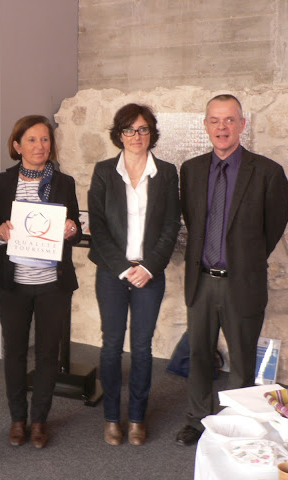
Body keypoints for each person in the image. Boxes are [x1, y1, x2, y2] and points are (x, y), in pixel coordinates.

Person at [175, 94, 288, 446]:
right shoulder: (191, 170)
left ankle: (238, 422)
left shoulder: (268, 171)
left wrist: (243, 258)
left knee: (241, 359)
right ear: (206, 125)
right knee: (198, 355)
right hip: (201, 281)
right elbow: (193, 223)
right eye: (215, 120)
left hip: (242, 280)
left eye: (229, 120)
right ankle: (197, 418)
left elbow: (274, 227)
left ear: (242, 124)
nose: (222, 127)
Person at [0, 115, 81, 449]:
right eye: (33, 140)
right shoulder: (3, 182)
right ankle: (18, 420)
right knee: (16, 353)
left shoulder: (64, 183)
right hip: (13, 285)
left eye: (45, 140)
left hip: (53, 282)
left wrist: (71, 231)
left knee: (49, 354)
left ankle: (39, 420)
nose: (40, 146)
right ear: (17, 145)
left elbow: (74, 228)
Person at [87, 104, 181, 446]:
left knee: (141, 347)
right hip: (113, 272)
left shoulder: (167, 173)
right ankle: (112, 417)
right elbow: (97, 227)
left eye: (142, 129)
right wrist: (125, 268)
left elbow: (171, 225)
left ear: (151, 132)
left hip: (150, 273)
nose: (136, 136)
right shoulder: (103, 172)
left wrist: (148, 267)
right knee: (111, 345)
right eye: (129, 130)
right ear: (119, 134)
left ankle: (137, 418)